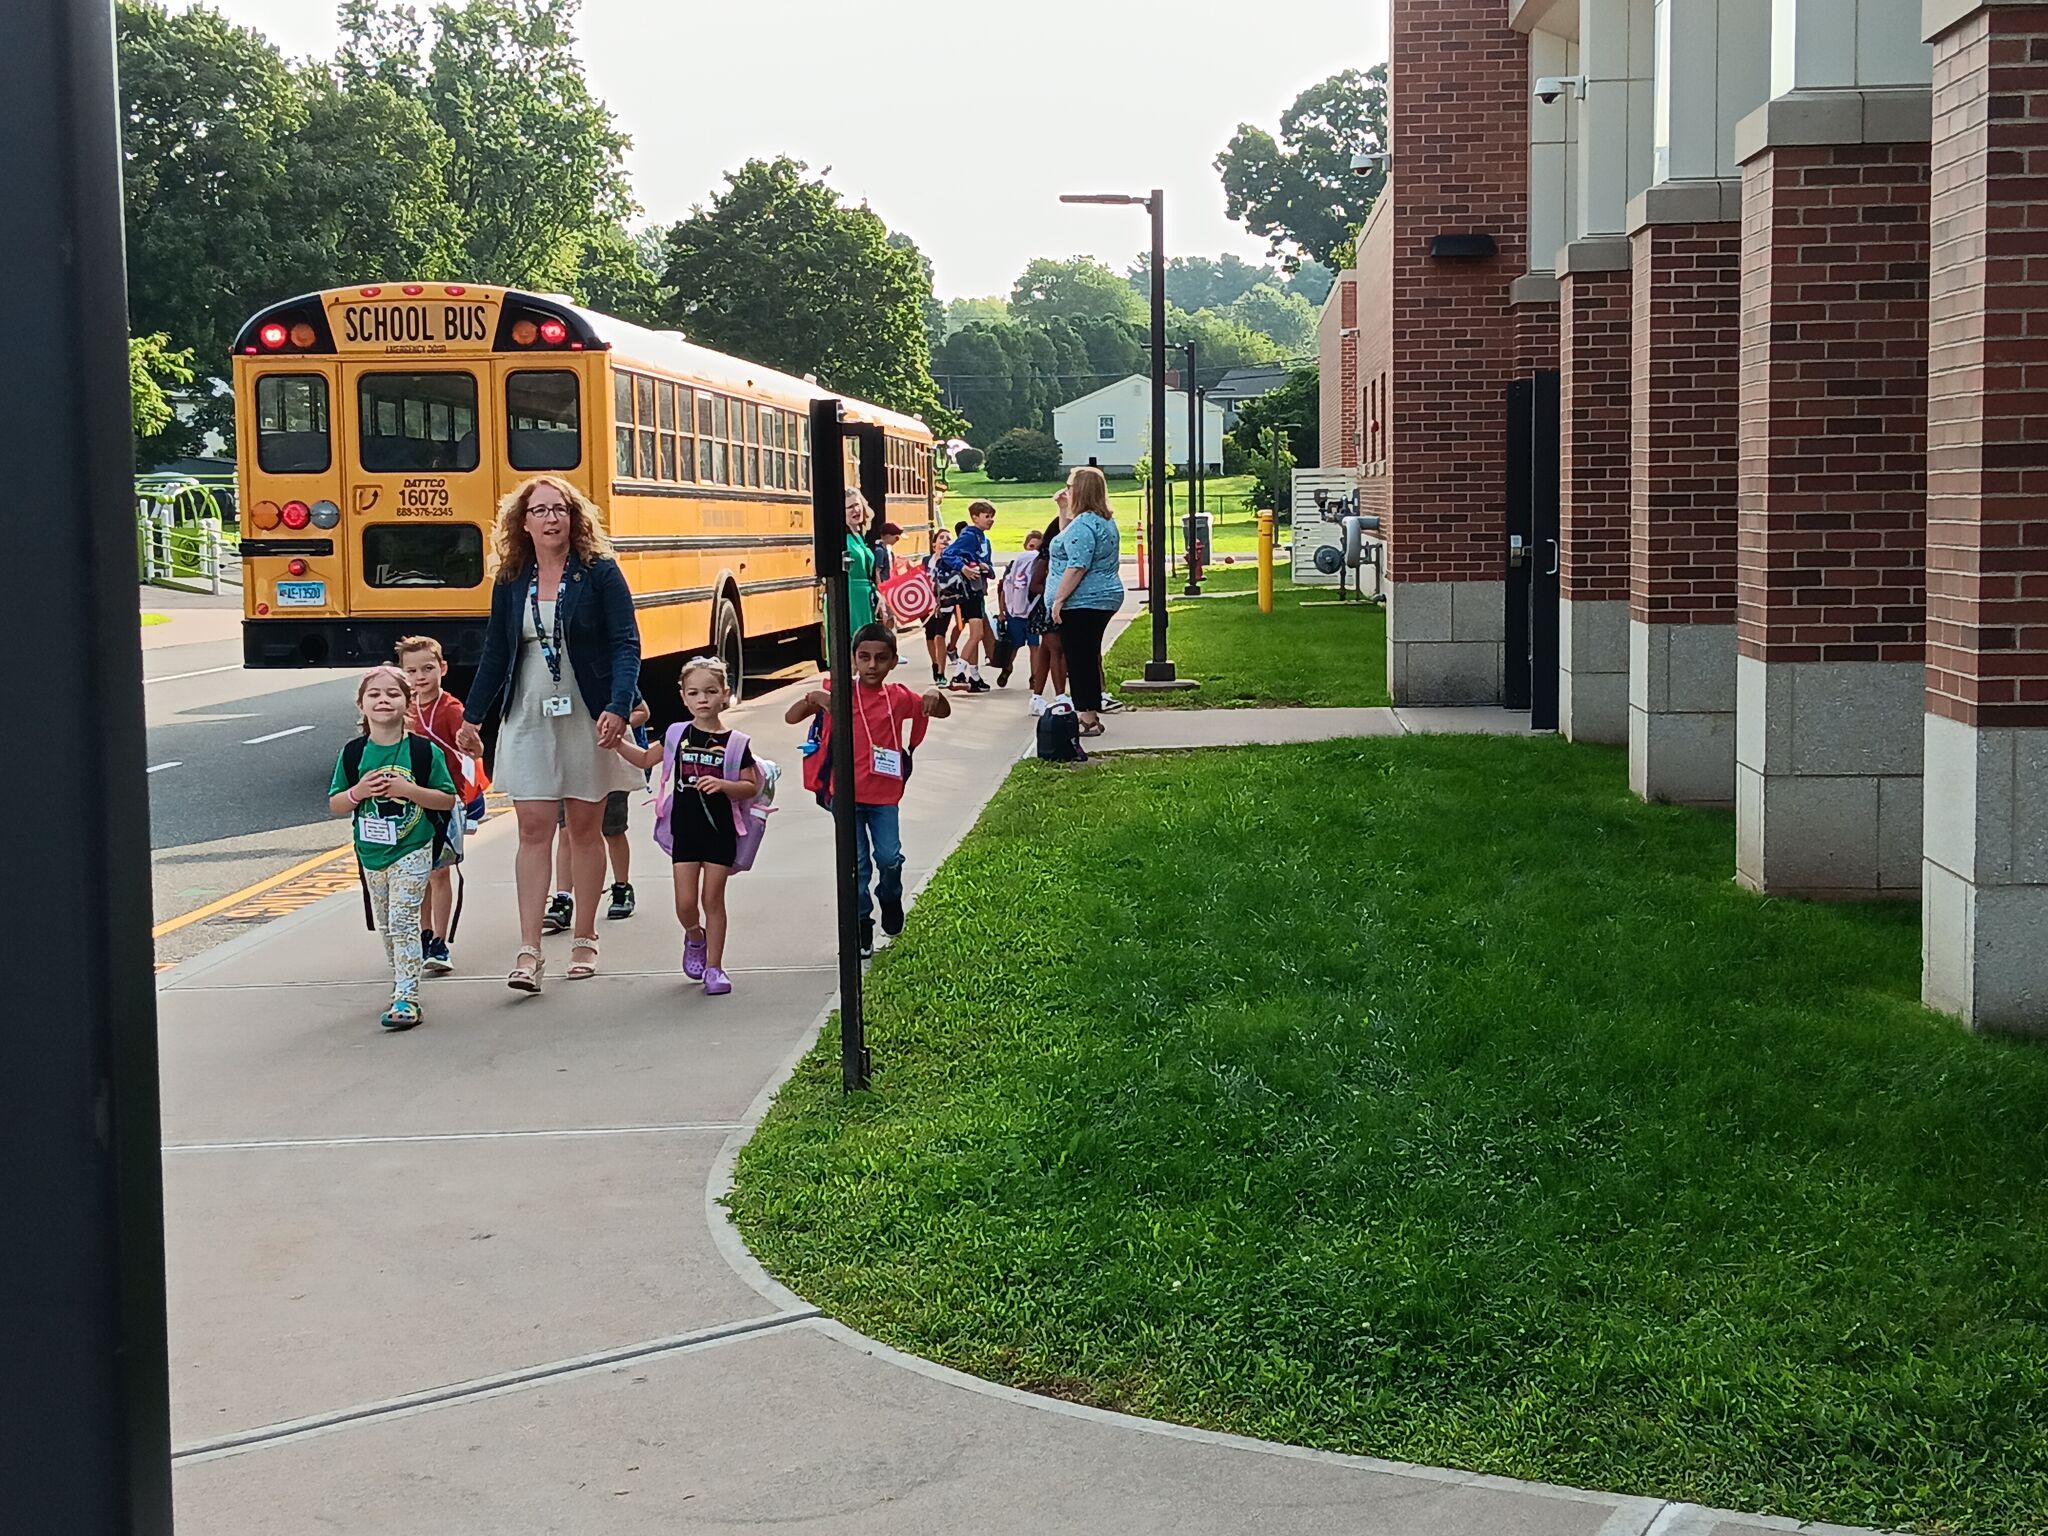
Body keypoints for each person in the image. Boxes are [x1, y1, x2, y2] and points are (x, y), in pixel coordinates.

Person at [455, 475, 641, 993]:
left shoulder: (599, 573)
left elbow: (626, 643)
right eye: (539, 511)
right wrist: (473, 718)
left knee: (584, 828)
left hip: (588, 711)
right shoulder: (512, 578)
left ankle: (585, 937)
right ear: (523, 522)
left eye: (559, 509)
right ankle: (529, 949)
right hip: (529, 712)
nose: (551, 518)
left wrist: (619, 707)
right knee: (533, 829)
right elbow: (496, 652)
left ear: (574, 516)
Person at [786, 623, 950, 957]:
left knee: (889, 857)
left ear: (893, 661)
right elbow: (792, 718)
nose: (872, 665)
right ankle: (861, 924)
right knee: (856, 864)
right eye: (864, 658)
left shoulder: (899, 697)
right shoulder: (838, 693)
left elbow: (937, 710)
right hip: (844, 796)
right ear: (853, 660)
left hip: (884, 797)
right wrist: (813, 700)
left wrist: (936, 695)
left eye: (880, 658)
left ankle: (890, 897)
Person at [608, 656, 759, 997]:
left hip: (721, 832)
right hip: (685, 831)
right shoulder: (677, 734)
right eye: (694, 693)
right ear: (683, 697)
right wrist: (617, 742)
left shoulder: (737, 743)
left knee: (712, 898)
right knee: (685, 901)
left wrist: (724, 786)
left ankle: (715, 967)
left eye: (710, 691)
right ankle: (695, 936)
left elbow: (751, 786)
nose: (702, 699)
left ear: (725, 694)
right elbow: (646, 759)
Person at [328, 665, 459, 1030]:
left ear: (407, 703)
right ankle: (401, 977)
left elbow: (446, 800)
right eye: (374, 694)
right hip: (371, 852)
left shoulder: (423, 753)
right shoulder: (354, 754)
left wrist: (408, 791)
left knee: (404, 919)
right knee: (387, 925)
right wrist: (359, 792)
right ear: (361, 705)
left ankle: (407, 995)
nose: (383, 700)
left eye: (392, 694)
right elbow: (337, 803)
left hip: (413, 848)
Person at [396, 634, 486, 976]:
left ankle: (440, 939)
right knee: (419, 872)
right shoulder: (404, 708)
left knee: (440, 870)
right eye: (412, 670)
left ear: (443, 669)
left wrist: (473, 750)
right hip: (412, 801)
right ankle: (423, 933)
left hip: (445, 801)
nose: (420, 677)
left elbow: (472, 755)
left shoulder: (451, 709)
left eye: (428, 669)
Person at [1046, 465, 1125, 737]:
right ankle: (1090, 711)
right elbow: (1068, 539)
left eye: (1069, 486)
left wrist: (1058, 600)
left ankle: (1087, 718)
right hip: (1102, 596)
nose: (1066, 490)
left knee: (1079, 659)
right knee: (1087, 655)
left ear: (1080, 490)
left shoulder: (1084, 524)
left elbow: (1077, 565)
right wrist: (1063, 511)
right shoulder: (1102, 521)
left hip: (1084, 601)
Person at [937, 500, 998, 691]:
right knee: (977, 633)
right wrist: (963, 567)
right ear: (975, 517)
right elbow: (948, 554)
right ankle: (959, 673)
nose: (991, 520)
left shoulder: (984, 540)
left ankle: (974, 675)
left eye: (992, 517)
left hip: (978, 588)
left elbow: (988, 566)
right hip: (968, 590)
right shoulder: (970, 535)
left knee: (975, 635)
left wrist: (986, 568)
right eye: (987, 516)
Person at [1027, 489, 1073, 716]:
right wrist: (1057, 592)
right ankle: (1060, 695)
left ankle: (1036, 697)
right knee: (1057, 650)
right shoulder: (1045, 558)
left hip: (1057, 606)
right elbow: (1034, 584)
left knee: (1047, 652)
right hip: (1046, 609)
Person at [994, 528, 1043, 688]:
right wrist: (1002, 612)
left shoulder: (1040, 568)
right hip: (1014, 613)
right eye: (1031, 546)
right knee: (1013, 645)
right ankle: (1007, 668)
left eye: (1037, 548)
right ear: (1024, 546)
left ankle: (1034, 677)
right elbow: (1005, 589)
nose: (1033, 551)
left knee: (1034, 646)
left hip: (1032, 613)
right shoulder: (1015, 566)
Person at [922, 527, 959, 684]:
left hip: (945, 603)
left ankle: (941, 671)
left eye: (948, 538)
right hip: (927, 604)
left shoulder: (952, 562)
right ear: (934, 543)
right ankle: (935, 663)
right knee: (930, 636)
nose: (945, 540)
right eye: (941, 537)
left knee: (940, 635)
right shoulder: (926, 560)